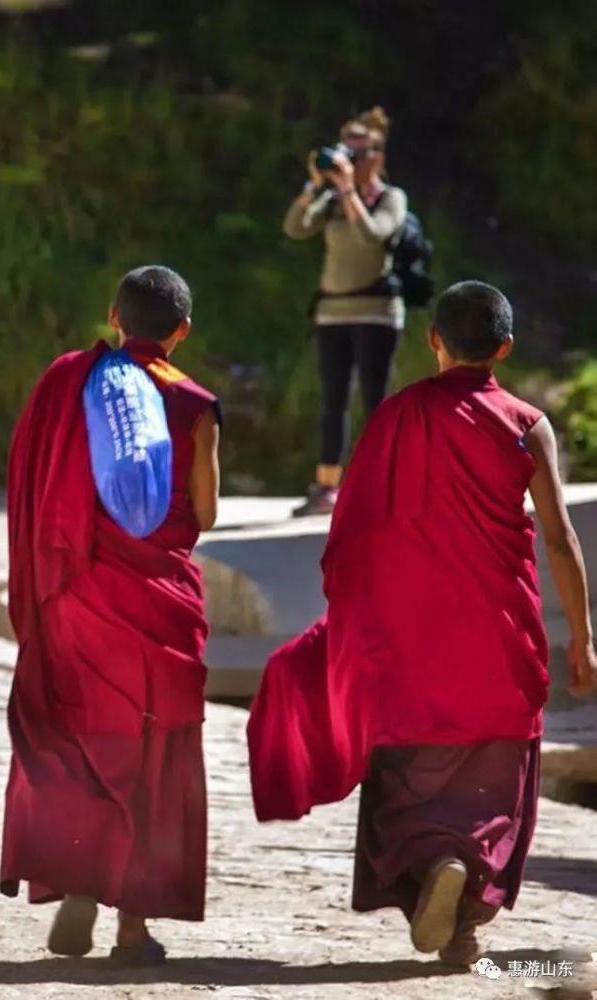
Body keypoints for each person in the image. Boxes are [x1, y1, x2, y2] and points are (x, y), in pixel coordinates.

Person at [248, 281, 596, 965]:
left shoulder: (395, 417)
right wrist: (584, 637)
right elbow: (559, 538)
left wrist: (355, 620)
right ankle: (463, 908)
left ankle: (436, 870)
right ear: (506, 348)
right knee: (494, 778)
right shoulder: (528, 424)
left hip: (409, 644)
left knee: (406, 774)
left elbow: (354, 530)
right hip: (499, 637)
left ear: (433, 341)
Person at [0, 266, 221, 964]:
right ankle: (132, 926)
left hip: (77, 595)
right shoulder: (196, 405)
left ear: (113, 316)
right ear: (181, 332)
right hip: (159, 605)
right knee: (155, 751)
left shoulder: (65, 382)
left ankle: (77, 883)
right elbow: (206, 513)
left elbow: (30, 485)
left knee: (82, 739)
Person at [283, 107, 408, 517]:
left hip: (376, 313)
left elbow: (374, 235)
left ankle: (379, 484)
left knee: (375, 399)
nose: (348, 161)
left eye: (357, 153)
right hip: (333, 313)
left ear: (376, 156)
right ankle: (326, 487)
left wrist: (351, 191)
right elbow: (296, 227)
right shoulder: (334, 199)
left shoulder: (390, 198)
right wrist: (315, 185)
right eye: (345, 152)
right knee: (333, 400)